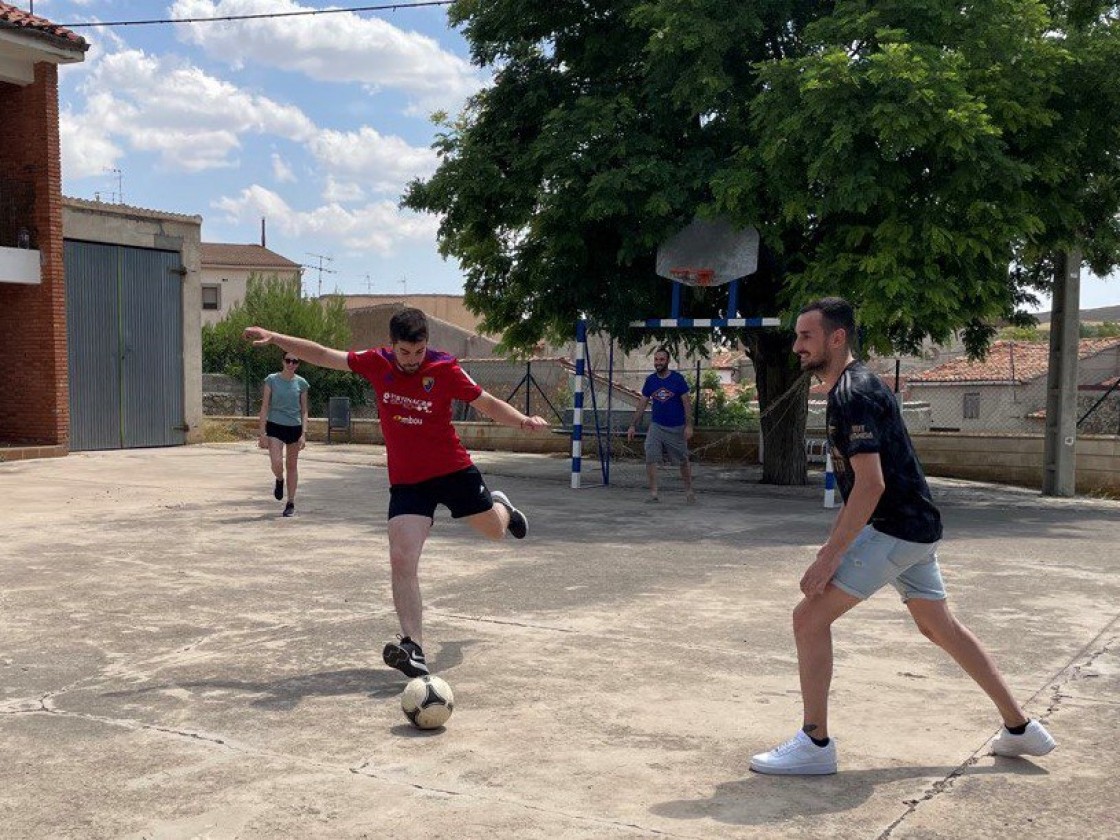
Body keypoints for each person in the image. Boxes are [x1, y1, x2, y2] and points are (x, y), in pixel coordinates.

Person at [750, 297, 1056, 776]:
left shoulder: (853, 393)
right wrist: (837, 544)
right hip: (916, 528)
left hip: (893, 528)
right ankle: (1021, 729)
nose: (796, 346)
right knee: (939, 627)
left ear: (837, 338)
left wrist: (831, 557)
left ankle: (815, 743)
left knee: (808, 618)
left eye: (805, 336)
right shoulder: (857, 385)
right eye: (796, 336)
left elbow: (871, 485)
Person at [243, 308, 549, 678]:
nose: (411, 361)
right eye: (404, 353)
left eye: (417, 353)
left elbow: (484, 401)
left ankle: (503, 507)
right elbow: (324, 354)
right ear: (392, 346)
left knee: (496, 532)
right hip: (408, 481)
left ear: (426, 346)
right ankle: (414, 646)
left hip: (453, 470)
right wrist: (276, 337)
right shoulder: (376, 363)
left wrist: (523, 421)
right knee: (402, 558)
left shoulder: (444, 368)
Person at [626, 347, 695, 503]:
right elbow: (642, 403)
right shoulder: (651, 380)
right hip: (656, 426)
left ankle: (689, 491)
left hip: (676, 427)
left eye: (661, 359)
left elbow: (686, 403)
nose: (658, 362)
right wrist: (633, 425)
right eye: (656, 359)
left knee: (683, 460)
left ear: (668, 361)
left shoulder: (677, 379)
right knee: (650, 456)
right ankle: (653, 494)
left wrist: (689, 425)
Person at [257, 352, 309, 518]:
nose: (291, 364)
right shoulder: (271, 380)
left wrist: (304, 434)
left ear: (298, 364)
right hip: (275, 426)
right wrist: (262, 433)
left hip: (294, 427)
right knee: (277, 462)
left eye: (295, 361)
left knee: (292, 466)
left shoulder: (301, 383)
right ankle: (279, 479)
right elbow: (265, 406)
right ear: (283, 362)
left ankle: (291, 502)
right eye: (288, 360)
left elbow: (304, 410)